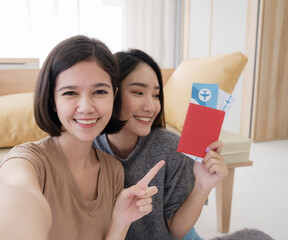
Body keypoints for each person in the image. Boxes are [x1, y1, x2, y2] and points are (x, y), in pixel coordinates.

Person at [0, 36, 165, 240]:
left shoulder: (113, 171)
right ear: (52, 100)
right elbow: (19, 198)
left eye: (99, 91)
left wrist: (120, 221)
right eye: (70, 93)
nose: (86, 107)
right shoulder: (25, 162)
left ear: (114, 96)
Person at [94, 49, 228, 240]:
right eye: (138, 92)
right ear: (111, 94)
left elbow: (177, 230)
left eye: (156, 95)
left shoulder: (171, 147)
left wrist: (201, 187)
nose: (151, 106)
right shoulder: (87, 147)